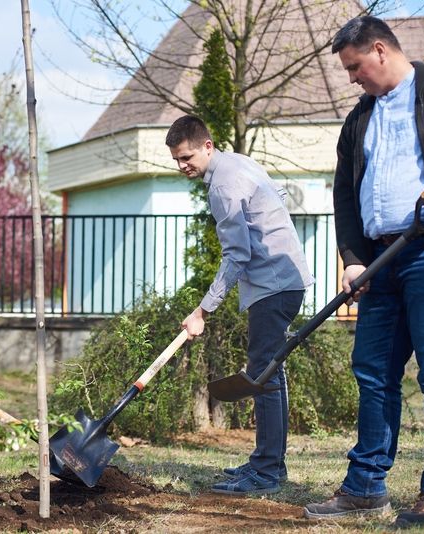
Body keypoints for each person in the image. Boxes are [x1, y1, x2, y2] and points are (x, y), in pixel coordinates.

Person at [303, 16, 424, 527]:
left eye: (355, 67)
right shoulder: (359, 119)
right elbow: (344, 193)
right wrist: (352, 257)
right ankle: (365, 487)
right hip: (380, 262)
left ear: (381, 51)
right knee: (372, 371)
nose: (351, 78)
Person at [166, 115, 313, 495]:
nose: (183, 166)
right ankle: (267, 463)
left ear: (207, 146)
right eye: (177, 160)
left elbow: (236, 255)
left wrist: (202, 311)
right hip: (286, 280)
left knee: (263, 376)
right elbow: (276, 199)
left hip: (273, 285)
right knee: (269, 374)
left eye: (187, 157)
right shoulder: (240, 163)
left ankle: (266, 473)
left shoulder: (223, 186)